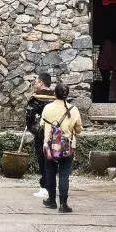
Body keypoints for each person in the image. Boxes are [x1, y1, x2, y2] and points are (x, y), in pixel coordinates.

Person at [40, 83, 83, 213]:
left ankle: (51, 201)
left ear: (54, 94)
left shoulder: (47, 108)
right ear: (67, 95)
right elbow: (79, 129)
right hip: (66, 147)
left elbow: (42, 124)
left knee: (50, 173)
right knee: (64, 175)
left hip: (50, 147)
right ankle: (63, 205)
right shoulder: (73, 109)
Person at [25, 72, 55, 199]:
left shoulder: (36, 99)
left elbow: (29, 117)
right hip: (56, 134)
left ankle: (45, 187)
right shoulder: (56, 97)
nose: (35, 84)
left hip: (41, 134)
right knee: (53, 160)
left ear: (42, 83)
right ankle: (52, 186)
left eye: (36, 82)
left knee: (42, 160)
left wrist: (35, 131)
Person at [97, 38, 116, 102]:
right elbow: (109, 55)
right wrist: (113, 66)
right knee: (106, 81)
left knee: (105, 80)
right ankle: (105, 97)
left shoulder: (106, 42)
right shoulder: (108, 43)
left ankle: (104, 97)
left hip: (103, 64)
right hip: (105, 64)